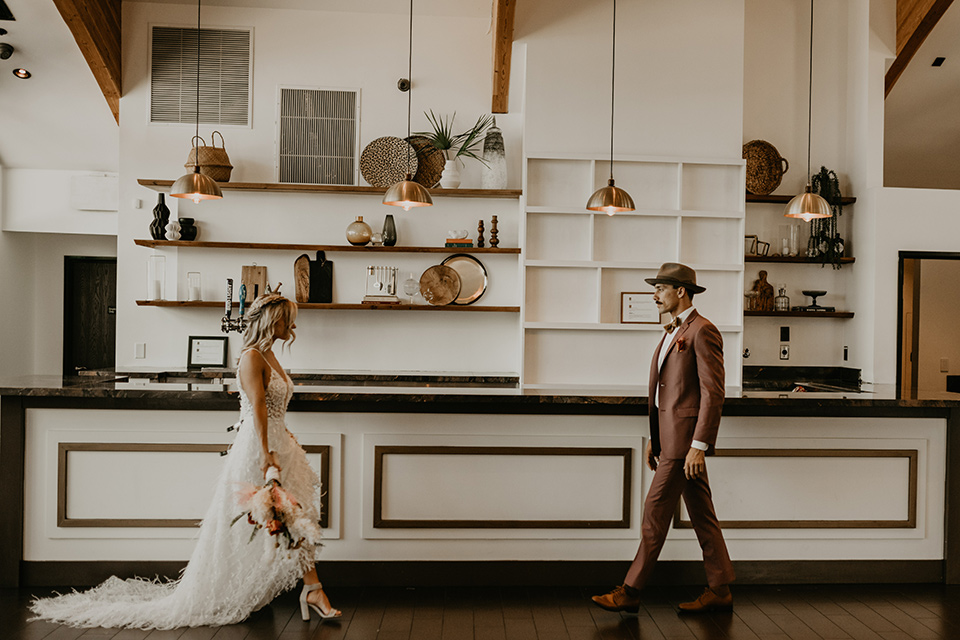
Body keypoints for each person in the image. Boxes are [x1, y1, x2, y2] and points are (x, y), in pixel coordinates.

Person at [30, 292, 340, 629]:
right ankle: (311, 590)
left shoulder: (269, 354)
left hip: (279, 444)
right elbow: (258, 411)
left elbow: (275, 410)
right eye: (287, 318)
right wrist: (268, 454)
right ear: (271, 321)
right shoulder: (252, 357)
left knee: (294, 518)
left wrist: (286, 438)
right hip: (259, 449)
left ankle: (308, 589)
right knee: (285, 519)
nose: (292, 325)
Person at [591, 263, 735, 614]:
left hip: (685, 444)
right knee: (702, 514)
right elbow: (666, 394)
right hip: (670, 440)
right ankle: (720, 588)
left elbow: (712, 393)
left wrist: (699, 446)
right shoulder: (673, 331)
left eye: (660, 289)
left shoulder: (702, 331)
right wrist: (655, 437)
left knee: (654, 514)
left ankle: (630, 591)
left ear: (680, 292)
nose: (654, 295)